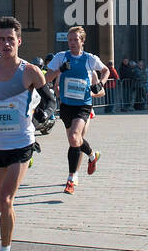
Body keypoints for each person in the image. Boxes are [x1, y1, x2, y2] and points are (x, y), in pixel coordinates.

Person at [0, 17, 47, 251]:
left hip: (21, 142)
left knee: (7, 200)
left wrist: (43, 114)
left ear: (19, 41)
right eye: (1, 39)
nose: (6, 43)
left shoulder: (29, 71)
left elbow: (48, 99)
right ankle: (25, 162)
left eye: (10, 39)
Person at [44, 26, 108, 195]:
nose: (72, 43)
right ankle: (93, 155)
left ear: (82, 41)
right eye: (70, 40)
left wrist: (100, 83)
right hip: (66, 106)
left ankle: (71, 178)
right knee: (75, 140)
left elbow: (106, 70)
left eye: (75, 40)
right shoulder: (60, 57)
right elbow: (46, 79)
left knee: (74, 137)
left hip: (83, 105)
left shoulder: (89, 59)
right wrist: (60, 70)